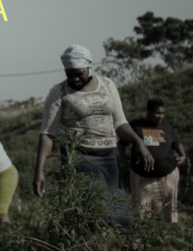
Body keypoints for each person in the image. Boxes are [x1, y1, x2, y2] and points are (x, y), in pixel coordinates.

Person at [34, 44, 153, 227]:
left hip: (109, 155)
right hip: (79, 156)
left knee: (119, 212)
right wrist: (39, 170)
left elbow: (120, 123)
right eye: (69, 73)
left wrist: (138, 142)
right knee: (96, 211)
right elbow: (48, 134)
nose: (75, 78)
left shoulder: (107, 85)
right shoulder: (59, 93)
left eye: (79, 73)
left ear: (89, 67)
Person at [118, 99, 186, 223]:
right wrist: (122, 158)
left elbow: (177, 143)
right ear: (148, 111)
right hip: (142, 175)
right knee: (142, 214)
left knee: (168, 212)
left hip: (166, 174)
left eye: (163, 113)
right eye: (157, 113)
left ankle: (167, 238)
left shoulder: (166, 126)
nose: (161, 116)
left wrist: (183, 155)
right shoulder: (136, 125)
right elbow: (122, 143)